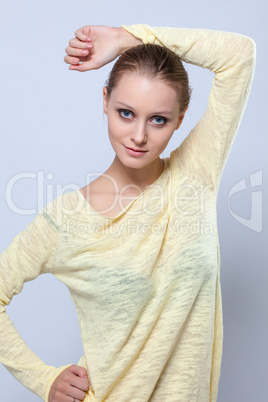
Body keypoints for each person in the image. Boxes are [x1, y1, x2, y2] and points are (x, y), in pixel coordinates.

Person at [0, 23, 255, 402]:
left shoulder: (195, 176)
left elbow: (240, 56)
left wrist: (128, 37)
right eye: (125, 112)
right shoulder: (65, 220)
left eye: (158, 120)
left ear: (180, 119)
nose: (138, 136)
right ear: (105, 100)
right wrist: (42, 379)